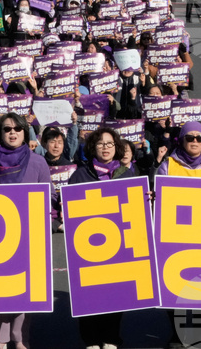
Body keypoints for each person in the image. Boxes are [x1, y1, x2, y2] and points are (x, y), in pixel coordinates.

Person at [0, 112, 52, 349]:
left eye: (17, 129)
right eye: (7, 129)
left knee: (25, 292)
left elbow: (49, 197)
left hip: (30, 236)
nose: (12, 132)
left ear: (24, 132)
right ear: (0, 133)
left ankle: (21, 339)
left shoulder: (39, 162)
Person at [68, 126, 134, 349]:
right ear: (92, 148)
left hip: (119, 245)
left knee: (117, 294)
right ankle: (92, 340)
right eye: (100, 144)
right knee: (89, 294)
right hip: (88, 246)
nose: (105, 148)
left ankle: (111, 338)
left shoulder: (127, 173)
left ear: (116, 148)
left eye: (110, 144)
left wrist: (146, 199)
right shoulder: (80, 174)